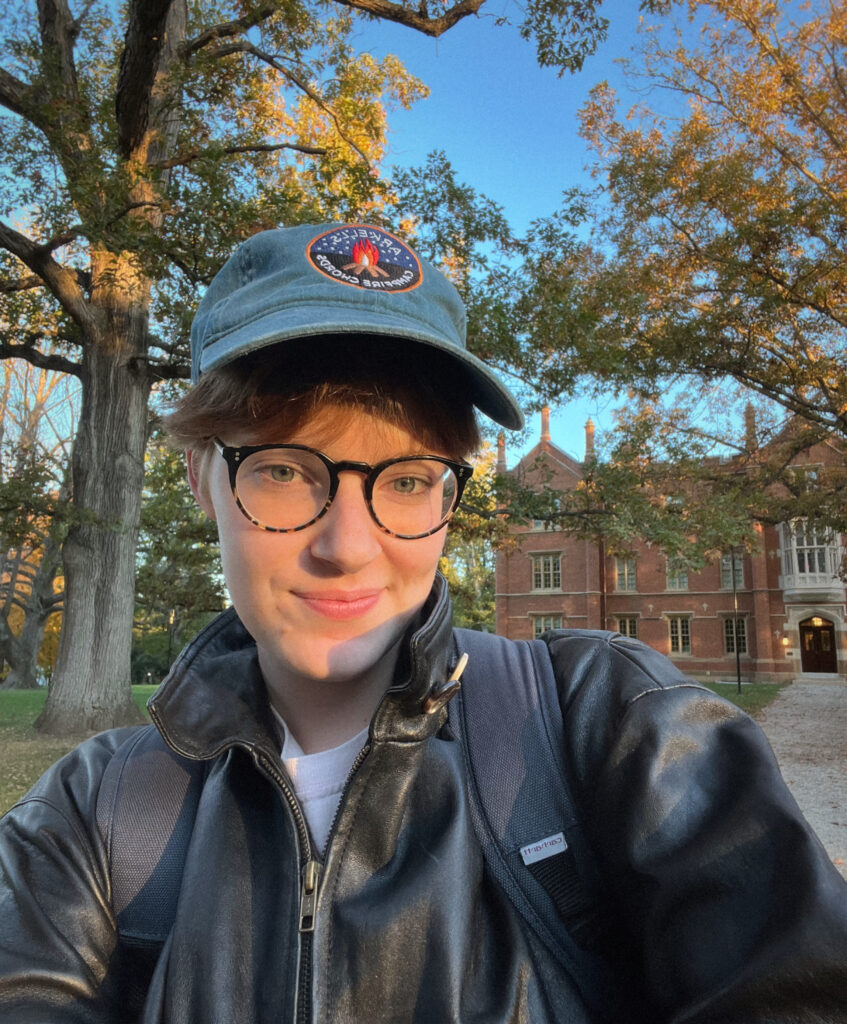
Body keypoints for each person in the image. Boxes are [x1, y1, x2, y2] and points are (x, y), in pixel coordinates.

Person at [1, 222, 846, 1023]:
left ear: (446, 500)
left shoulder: (615, 731)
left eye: (405, 480)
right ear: (200, 479)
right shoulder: (95, 812)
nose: (347, 545)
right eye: (286, 470)